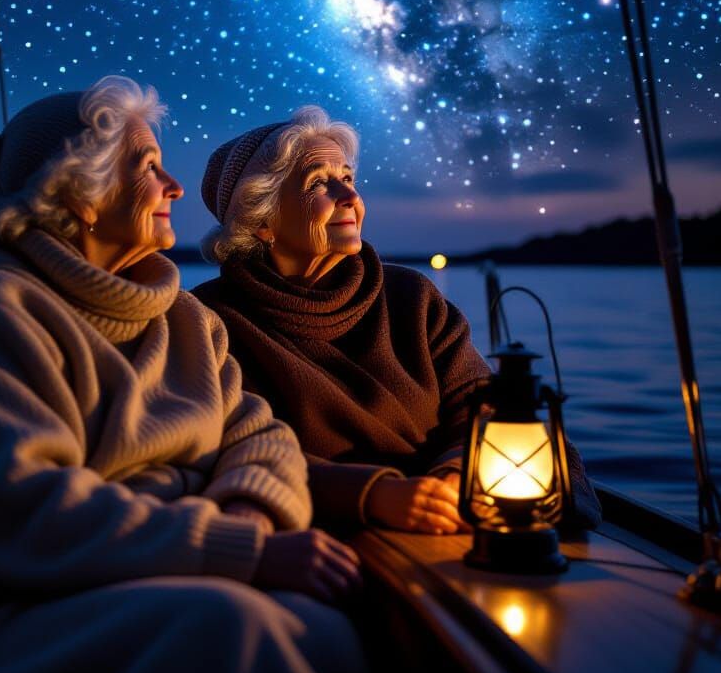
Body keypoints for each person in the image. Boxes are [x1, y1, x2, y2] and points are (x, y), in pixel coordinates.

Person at [0, 78, 368, 673]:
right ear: (80, 192)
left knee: (326, 632)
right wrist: (237, 553)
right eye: (150, 167)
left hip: (168, 574)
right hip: (8, 607)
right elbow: (26, 509)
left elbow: (262, 438)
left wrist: (246, 526)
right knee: (226, 629)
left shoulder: (185, 319)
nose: (176, 188)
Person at [192, 106, 602, 535]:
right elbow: (228, 450)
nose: (349, 197)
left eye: (347, 179)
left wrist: (456, 472)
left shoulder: (411, 297)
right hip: (318, 538)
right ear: (261, 221)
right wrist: (372, 494)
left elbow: (479, 405)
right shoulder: (210, 321)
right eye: (318, 183)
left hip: (448, 525)